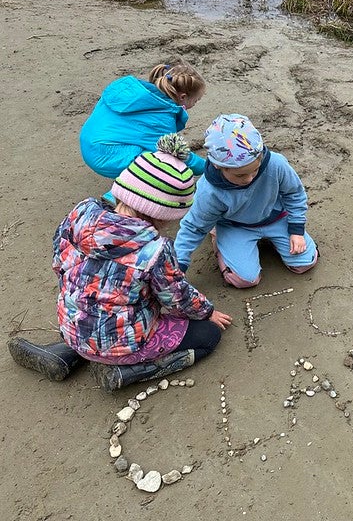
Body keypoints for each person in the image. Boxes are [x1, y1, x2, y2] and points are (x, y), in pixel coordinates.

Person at [7, 135, 232, 391]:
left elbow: (59, 263)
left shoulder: (79, 216)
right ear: (164, 214)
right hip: (124, 342)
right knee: (207, 336)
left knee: (94, 320)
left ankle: (64, 355)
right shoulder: (155, 250)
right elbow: (177, 297)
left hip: (72, 325)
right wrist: (207, 312)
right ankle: (128, 372)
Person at [174, 114, 318, 288]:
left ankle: (273, 240)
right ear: (218, 166)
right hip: (236, 226)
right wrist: (178, 264)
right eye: (240, 175)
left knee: (305, 262)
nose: (249, 179)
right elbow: (194, 226)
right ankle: (218, 238)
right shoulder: (209, 191)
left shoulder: (276, 164)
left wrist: (296, 229)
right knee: (244, 280)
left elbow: (294, 194)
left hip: (276, 218)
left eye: (255, 170)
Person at [79, 60, 208, 183]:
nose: (195, 104)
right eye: (195, 101)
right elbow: (178, 153)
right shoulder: (161, 119)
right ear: (183, 97)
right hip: (103, 155)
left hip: (89, 140)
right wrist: (207, 167)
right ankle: (124, 192)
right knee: (165, 162)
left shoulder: (130, 90)